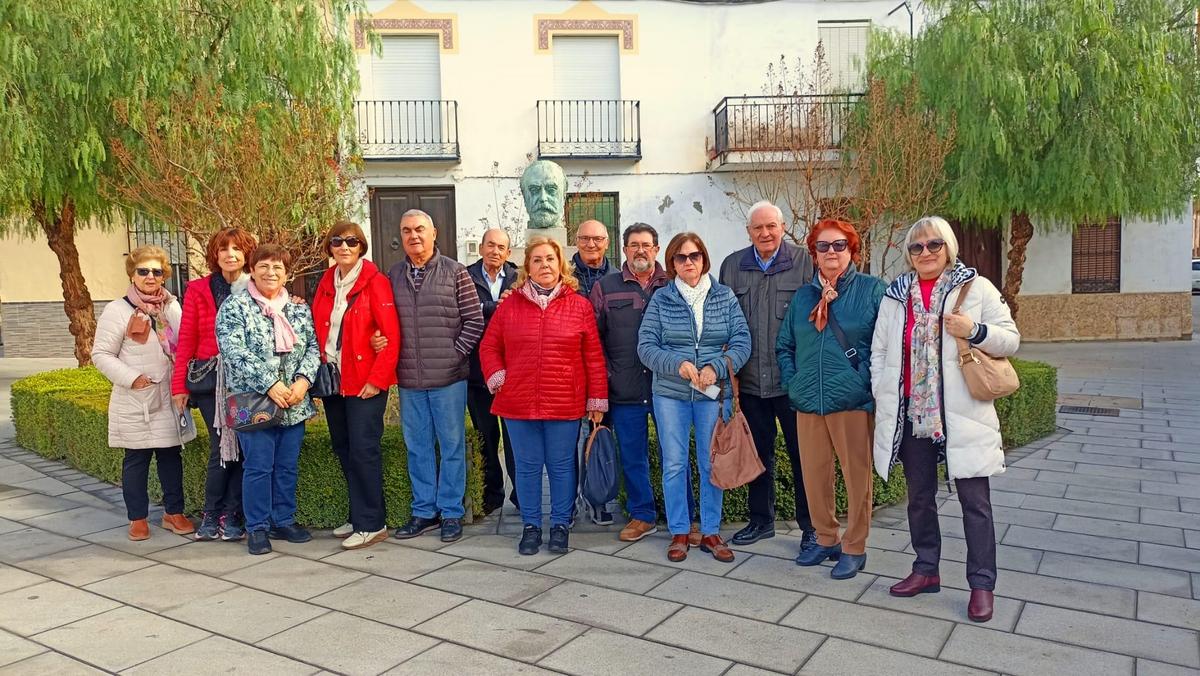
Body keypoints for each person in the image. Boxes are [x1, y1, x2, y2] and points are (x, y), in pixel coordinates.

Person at [871, 216, 1020, 623]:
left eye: (934, 245)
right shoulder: (895, 296)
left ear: (949, 248)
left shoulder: (976, 288)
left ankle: (982, 584)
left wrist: (974, 330)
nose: (925, 253)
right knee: (919, 498)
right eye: (917, 247)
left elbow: (1011, 338)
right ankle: (926, 569)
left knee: (975, 503)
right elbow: (880, 351)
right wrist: (881, 388)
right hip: (912, 413)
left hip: (961, 413)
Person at [479, 236, 608, 555]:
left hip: (565, 401)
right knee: (527, 467)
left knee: (563, 466)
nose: (544, 265)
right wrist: (498, 376)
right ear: (527, 268)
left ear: (560, 265)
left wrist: (596, 399)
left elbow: (593, 356)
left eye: (550, 259)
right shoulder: (510, 305)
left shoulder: (579, 305)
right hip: (518, 402)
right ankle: (532, 526)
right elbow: (489, 346)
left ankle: (561, 525)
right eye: (537, 260)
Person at [776, 219, 885, 580]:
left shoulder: (872, 290)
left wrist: (863, 381)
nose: (831, 253)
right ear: (814, 254)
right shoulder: (804, 297)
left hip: (851, 401)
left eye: (839, 246)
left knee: (857, 478)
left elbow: (883, 344)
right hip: (808, 401)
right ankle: (826, 538)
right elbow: (785, 345)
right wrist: (795, 382)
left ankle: (855, 546)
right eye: (823, 247)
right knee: (814, 476)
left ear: (852, 250)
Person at [638, 232, 750, 563]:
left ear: (704, 258)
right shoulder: (661, 299)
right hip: (671, 394)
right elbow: (646, 346)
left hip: (712, 393)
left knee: (710, 461)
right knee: (674, 464)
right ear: (671, 263)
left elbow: (742, 341)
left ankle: (711, 531)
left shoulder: (724, 296)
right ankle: (680, 531)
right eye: (681, 258)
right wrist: (678, 364)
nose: (689, 262)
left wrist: (717, 367)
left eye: (695, 256)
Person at [720, 200, 816, 549]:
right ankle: (761, 521)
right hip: (749, 382)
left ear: (783, 227)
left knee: (802, 455)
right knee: (757, 455)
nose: (765, 233)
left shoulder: (805, 262)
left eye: (771, 226)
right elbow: (724, 323)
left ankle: (812, 527)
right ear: (749, 232)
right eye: (758, 228)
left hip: (792, 382)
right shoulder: (732, 266)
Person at [216, 244, 321, 555]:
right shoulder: (235, 307)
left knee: (287, 466)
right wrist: (270, 384)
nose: (270, 272)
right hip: (256, 402)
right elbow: (233, 351)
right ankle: (257, 527)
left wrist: (303, 382)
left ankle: (283, 519)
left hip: (295, 402)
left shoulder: (299, 308)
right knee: (259, 466)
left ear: (286, 273)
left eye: (277, 267)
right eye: (264, 266)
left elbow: (312, 347)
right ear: (253, 269)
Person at [388, 209, 484, 543]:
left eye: (419, 230)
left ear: (434, 233)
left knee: (452, 445)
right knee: (417, 447)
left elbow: (474, 321)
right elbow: (386, 323)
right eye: (406, 230)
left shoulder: (456, 272)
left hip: (449, 378)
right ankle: (424, 511)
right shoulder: (394, 275)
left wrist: (453, 354)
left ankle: (452, 513)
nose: (413, 236)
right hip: (409, 378)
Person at [93, 246, 194, 541]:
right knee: (136, 459)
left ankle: (174, 512)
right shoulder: (118, 310)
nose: (151, 277)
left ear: (165, 275)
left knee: (170, 456)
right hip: (137, 397)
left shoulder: (171, 307)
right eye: (144, 271)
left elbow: (186, 345)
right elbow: (101, 354)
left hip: (170, 394)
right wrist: (133, 378)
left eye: (157, 271)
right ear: (132, 274)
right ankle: (137, 517)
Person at [312, 222, 401, 550]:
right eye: (337, 241)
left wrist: (377, 380)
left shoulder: (376, 283)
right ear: (330, 247)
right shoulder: (326, 282)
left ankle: (372, 523)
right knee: (344, 448)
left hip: (364, 382)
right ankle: (358, 513)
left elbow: (390, 337)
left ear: (361, 246)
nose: (344, 246)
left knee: (364, 451)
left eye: (351, 241)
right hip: (334, 380)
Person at [589, 223, 674, 543]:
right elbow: (593, 341)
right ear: (624, 250)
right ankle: (643, 515)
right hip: (624, 389)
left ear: (656, 249)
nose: (640, 250)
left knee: (674, 456)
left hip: (668, 388)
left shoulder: (673, 284)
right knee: (633, 456)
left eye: (646, 245)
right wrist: (603, 381)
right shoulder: (606, 287)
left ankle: (684, 518)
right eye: (634, 245)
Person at [171, 227, 256, 542]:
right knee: (222, 446)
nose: (230, 254)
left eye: (237, 248)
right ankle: (212, 513)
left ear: (247, 254)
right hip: (211, 382)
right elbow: (187, 339)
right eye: (223, 248)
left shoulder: (256, 288)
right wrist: (179, 386)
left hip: (247, 382)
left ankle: (233, 514)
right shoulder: (198, 289)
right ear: (215, 254)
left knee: (244, 449)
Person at [466, 228, 520, 515]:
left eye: (501, 247)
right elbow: (461, 310)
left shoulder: (519, 277)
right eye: (490, 245)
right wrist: (492, 307)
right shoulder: (464, 276)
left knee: (516, 440)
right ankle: (492, 494)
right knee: (486, 437)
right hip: (477, 373)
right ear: (481, 248)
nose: (495, 251)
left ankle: (521, 495)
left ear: (508, 253)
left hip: (513, 373)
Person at [572, 219, 614, 297]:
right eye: (585, 238)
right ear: (576, 242)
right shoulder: (562, 276)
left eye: (598, 239)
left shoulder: (618, 279)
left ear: (607, 243)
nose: (591, 245)